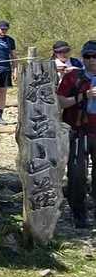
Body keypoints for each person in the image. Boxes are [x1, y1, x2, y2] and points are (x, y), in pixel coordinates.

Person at [56, 40, 96, 229]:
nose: (92, 60)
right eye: (88, 56)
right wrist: (84, 96)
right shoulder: (73, 77)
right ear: (83, 57)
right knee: (77, 174)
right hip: (78, 131)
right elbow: (61, 102)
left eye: (95, 56)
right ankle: (78, 212)